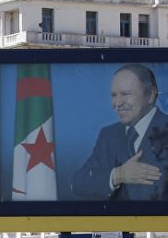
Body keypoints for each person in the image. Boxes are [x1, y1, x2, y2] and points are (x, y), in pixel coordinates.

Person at [71, 63, 168, 200]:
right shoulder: (108, 135)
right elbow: (78, 183)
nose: (117, 103)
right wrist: (117, 175)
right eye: (114, 95)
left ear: (151, 95)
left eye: (125, 94)